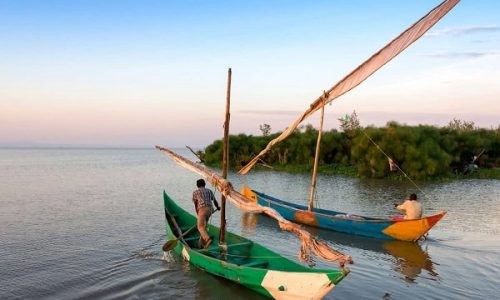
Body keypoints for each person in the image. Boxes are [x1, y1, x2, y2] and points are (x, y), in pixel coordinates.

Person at [192, 179, 220, 248]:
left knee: (200, 227)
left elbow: (196, 205)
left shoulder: (195, 192)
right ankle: (201, 244)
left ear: (197, 185)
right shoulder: (209, 191)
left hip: (202, 210)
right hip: (210, 210)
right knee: (204, 227)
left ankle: (208, 239)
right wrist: (218, 207)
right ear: (204, 184)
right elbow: (215, 201)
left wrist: (198, 214)